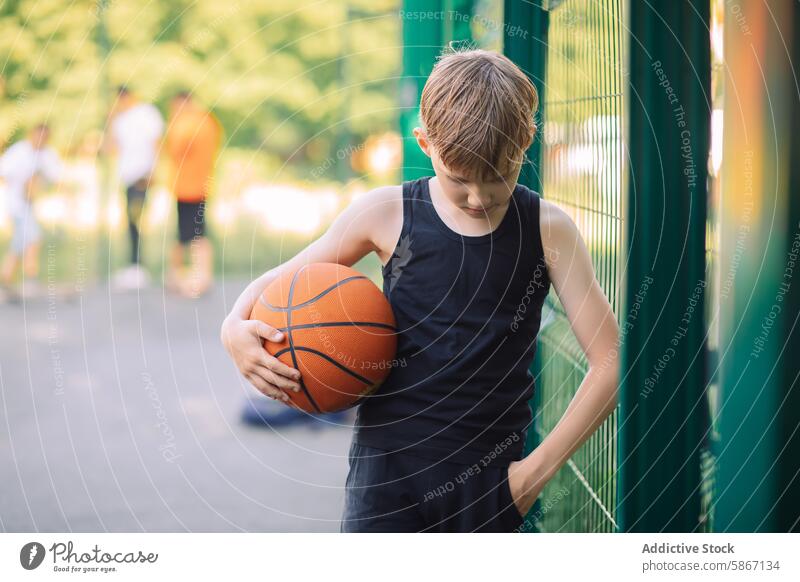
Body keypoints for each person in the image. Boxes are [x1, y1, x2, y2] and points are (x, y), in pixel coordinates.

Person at [220, 49, 620, 532]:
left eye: (497, 179)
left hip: (490, 480)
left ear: (527, 141)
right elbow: (282, 279)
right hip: (385, 475)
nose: (478, 198)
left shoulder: (546, 229)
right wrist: (232, 327)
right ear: (425, 143)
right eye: (460, 181)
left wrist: (533, 476)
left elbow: (612, 359)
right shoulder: (387, 214)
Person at [164, 91, 222, 298]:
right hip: (198, 185)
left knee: (195, 235)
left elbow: (175, 148)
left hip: (188, 187)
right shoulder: (207, 120)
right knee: (187, 234)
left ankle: (199, 279)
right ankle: (179, 277)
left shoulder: (188, 123)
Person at [109, 85, 164, 290]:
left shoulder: (146, 113)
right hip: (128, 177)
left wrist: (154, 171)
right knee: (130, 222)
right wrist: (111, 120)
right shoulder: (120, 120)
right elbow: (113, 147)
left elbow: (156, 143)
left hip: (142, 175)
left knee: (137, 219)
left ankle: (139, 267)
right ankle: (134, 266)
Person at [0, 124, 62, 297]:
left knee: (20, 242)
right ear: (32, 134)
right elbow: (3, 174)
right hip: (16, 204)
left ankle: (6, 277)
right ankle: (30, 277)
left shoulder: (47, 155)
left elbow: (56, 178)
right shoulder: (19, 152)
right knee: (33, 238)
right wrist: (22, 184)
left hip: (29, 205)